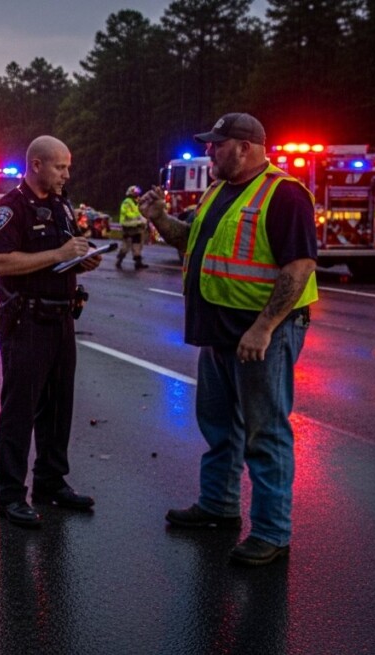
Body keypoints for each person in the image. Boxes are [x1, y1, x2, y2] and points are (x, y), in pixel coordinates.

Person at [138, 112, 318, 566]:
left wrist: (264, 327)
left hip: (262, 334)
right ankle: (218, 505)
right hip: (219, 330)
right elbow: (190, 243)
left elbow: (299, 267)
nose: (209, 152)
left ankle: (272, 533)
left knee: (265, 432)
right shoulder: (218, 191)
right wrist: (159, 218)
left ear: (245, 147)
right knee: (219, 426)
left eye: (217, 145)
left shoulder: (285, 194)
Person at [0, 135, 102, 529]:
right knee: (20, 410)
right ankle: (10, 495)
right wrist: (59, 254)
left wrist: (81, 261)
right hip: (27, 320)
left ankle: (51, 481)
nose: (66, 174)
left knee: (58, 407)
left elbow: (61, 256)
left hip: (61, 318)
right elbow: (2, 262)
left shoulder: (61, 205)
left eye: (68, 167)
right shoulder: (11, 208)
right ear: (36, 165)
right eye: (60, 167)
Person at [116, 185, 149, 270]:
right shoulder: (127, 202)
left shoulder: (135, 203)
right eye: (136, 193)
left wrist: (143, 221)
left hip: (135, 227)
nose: (138, 195)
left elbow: (138, 214)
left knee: (137, 244)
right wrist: (139, 219)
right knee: (126, 244)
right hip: (128, 226)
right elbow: (128, 214)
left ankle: (138, 262)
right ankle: (119, 260)